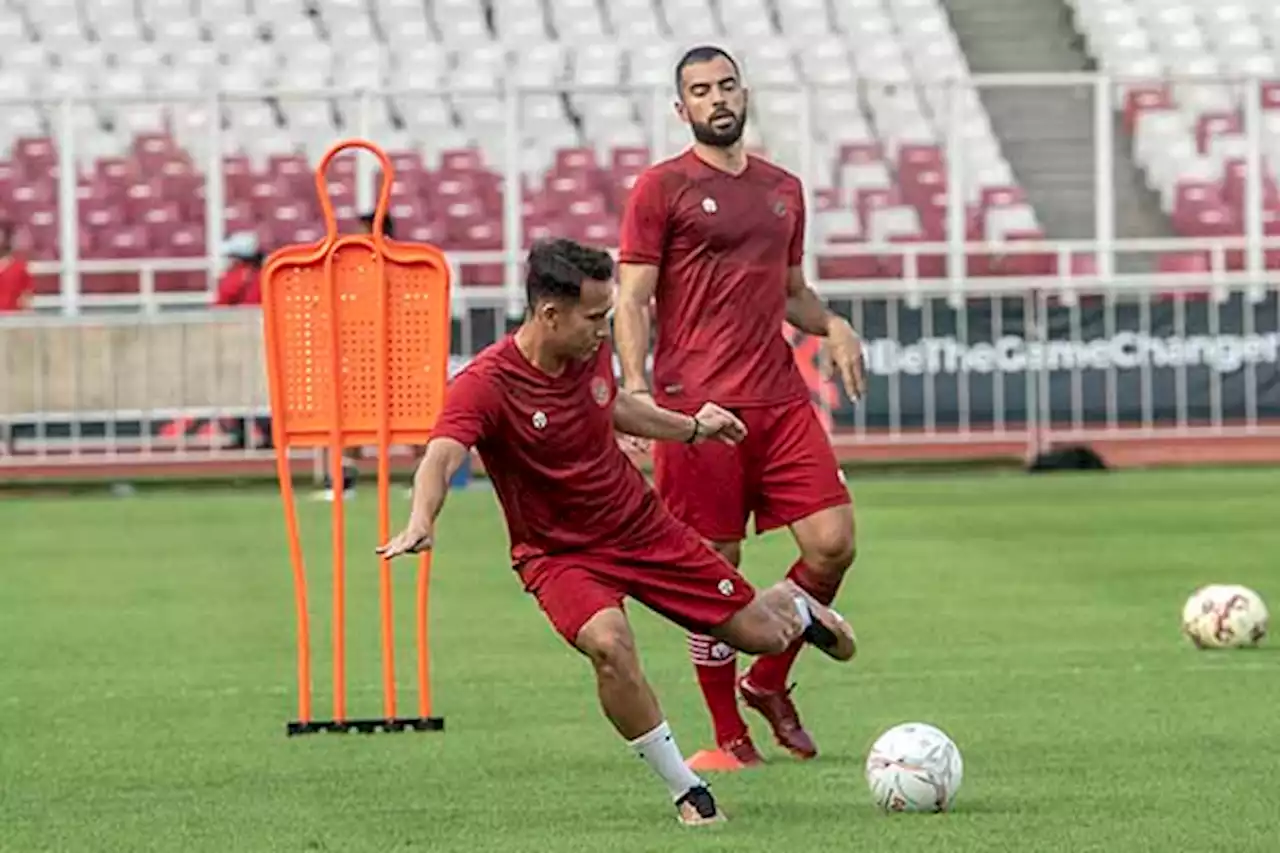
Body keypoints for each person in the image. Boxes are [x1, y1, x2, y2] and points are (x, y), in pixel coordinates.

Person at [377, 238, 857, 825]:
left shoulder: (588, 355)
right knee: (609, 646)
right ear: (549, 315)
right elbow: (442, 454)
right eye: (595, 317)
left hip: (641, 528)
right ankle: (687, 789)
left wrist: (692, 429)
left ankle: (795, 609)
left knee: (762, 635)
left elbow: (613, 407)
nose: (605, 330)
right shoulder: (486, 383)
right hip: (558, 555)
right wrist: (422, 520)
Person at [614, 45, 869, 773]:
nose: (717, 98)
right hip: (699, 405)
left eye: (726, 85)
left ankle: (769, 679)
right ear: (681, 108)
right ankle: (730, 734)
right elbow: (632, 297)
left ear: (744, 93)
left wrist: (835, 324)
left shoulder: (783, 188)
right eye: (701, 90)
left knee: (833, 541)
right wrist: (635, 390)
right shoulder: (660, 189)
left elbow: (793, 289)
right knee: (715, 572)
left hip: (781, 398)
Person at [315, 210, 398, 501]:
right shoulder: (355, 268)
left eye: (364, 229)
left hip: (392, 354)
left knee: (409, 418)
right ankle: (343, 481)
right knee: (348, 416)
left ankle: (422, 476)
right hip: (362, 353)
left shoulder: (397, 267)